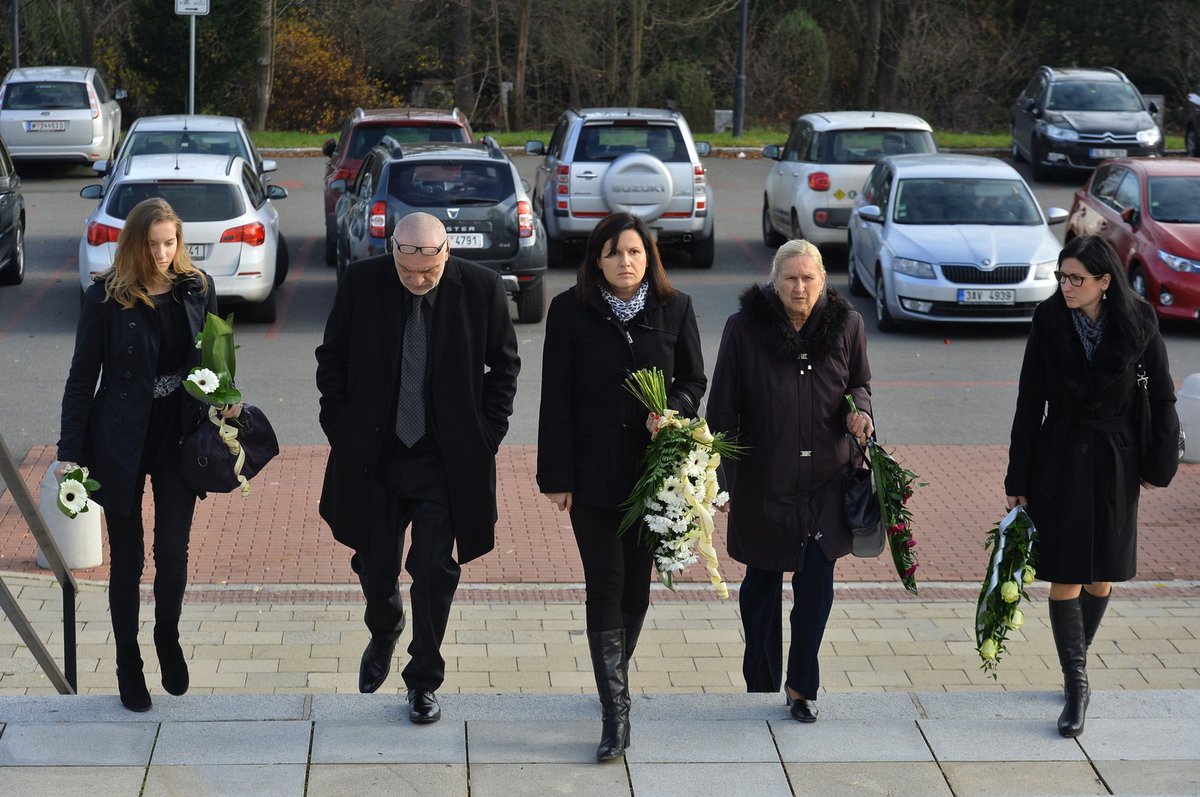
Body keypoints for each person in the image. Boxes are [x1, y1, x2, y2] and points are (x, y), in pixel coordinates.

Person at [316, 211, 519, 724]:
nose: (418, 281)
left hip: (443, 460)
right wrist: (341, 427)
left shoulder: (482, 288)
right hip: (376, 456)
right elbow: (331, 358)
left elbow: (505, 368)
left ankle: (423, 680)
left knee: (433, 572)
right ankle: (384, 628)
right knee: (376, 565)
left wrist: (486, 436)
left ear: (445, 252)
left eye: (427, 272)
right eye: (407, 272)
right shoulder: (362, 283)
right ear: (393, 254)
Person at [57, 197, 238, 712]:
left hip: (179, 435)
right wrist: (70, 451)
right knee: (128, 560)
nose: (163, 253)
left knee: (174, 553)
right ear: (134, 244)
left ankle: (166, 637)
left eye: (170, 242)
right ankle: (127, 664)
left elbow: (217, 353)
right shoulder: (104, 300)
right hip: (119, 439)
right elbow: (80, 380)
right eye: (153, 244)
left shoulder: (197, 287)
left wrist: (226, 396)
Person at [537, 212, 706, 761]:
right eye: (612, 253)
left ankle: (616, 676)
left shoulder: (675, 308)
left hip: (652, 476)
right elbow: (554, 397)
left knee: (637, 589)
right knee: (605, 585)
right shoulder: (569, 310)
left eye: (634, 252)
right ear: (596, 260)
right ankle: (616, 713)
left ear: (648, 257)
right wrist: (556, 476)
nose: (624, 262)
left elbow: (692, 381)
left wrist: (673, 411)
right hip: (590, 477)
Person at [1005, 234, 1180, 738]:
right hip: (1057, 460)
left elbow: (1164, 399)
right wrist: (1017, 477)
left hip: (1115, 463)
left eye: (1076, 279)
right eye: (1062, 276)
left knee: (1102, 574)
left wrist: (1159, 461)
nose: (1066, 286)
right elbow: (1027, 402)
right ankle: (1076, 684)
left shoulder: (1140, 321)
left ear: (1105, 281)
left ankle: (1074, 664)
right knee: (1065, 574)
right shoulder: (1048, 321)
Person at [707, 239, 874, 723]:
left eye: (809, 279)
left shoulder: (848, 325)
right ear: (774, 282)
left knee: (816, 587)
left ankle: (802, 687)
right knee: (760, 587)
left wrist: (860, 412)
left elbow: (859, 383)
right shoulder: (744, 329)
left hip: (826, 481)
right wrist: (726, 482)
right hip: (763, 481)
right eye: (790, 279)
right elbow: (722, 409)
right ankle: (760, 685)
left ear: (823, 281)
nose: (799, 288)